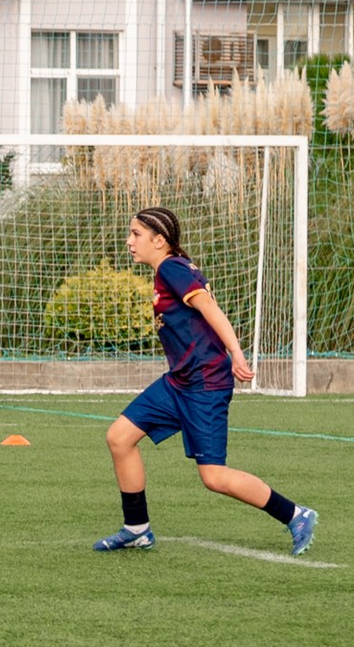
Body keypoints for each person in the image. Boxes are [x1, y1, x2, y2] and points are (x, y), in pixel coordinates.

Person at [94, 206, 318, 556]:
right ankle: (137, 529)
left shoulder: (171, 268)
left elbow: (209, 307)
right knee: (120, 438)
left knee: (214, 476)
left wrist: (237, 353)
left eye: (136, 234)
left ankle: (295, 514)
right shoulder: (170, 270)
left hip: (205, 384)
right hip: (179, 382)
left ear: (159, 240)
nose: (129, 241)